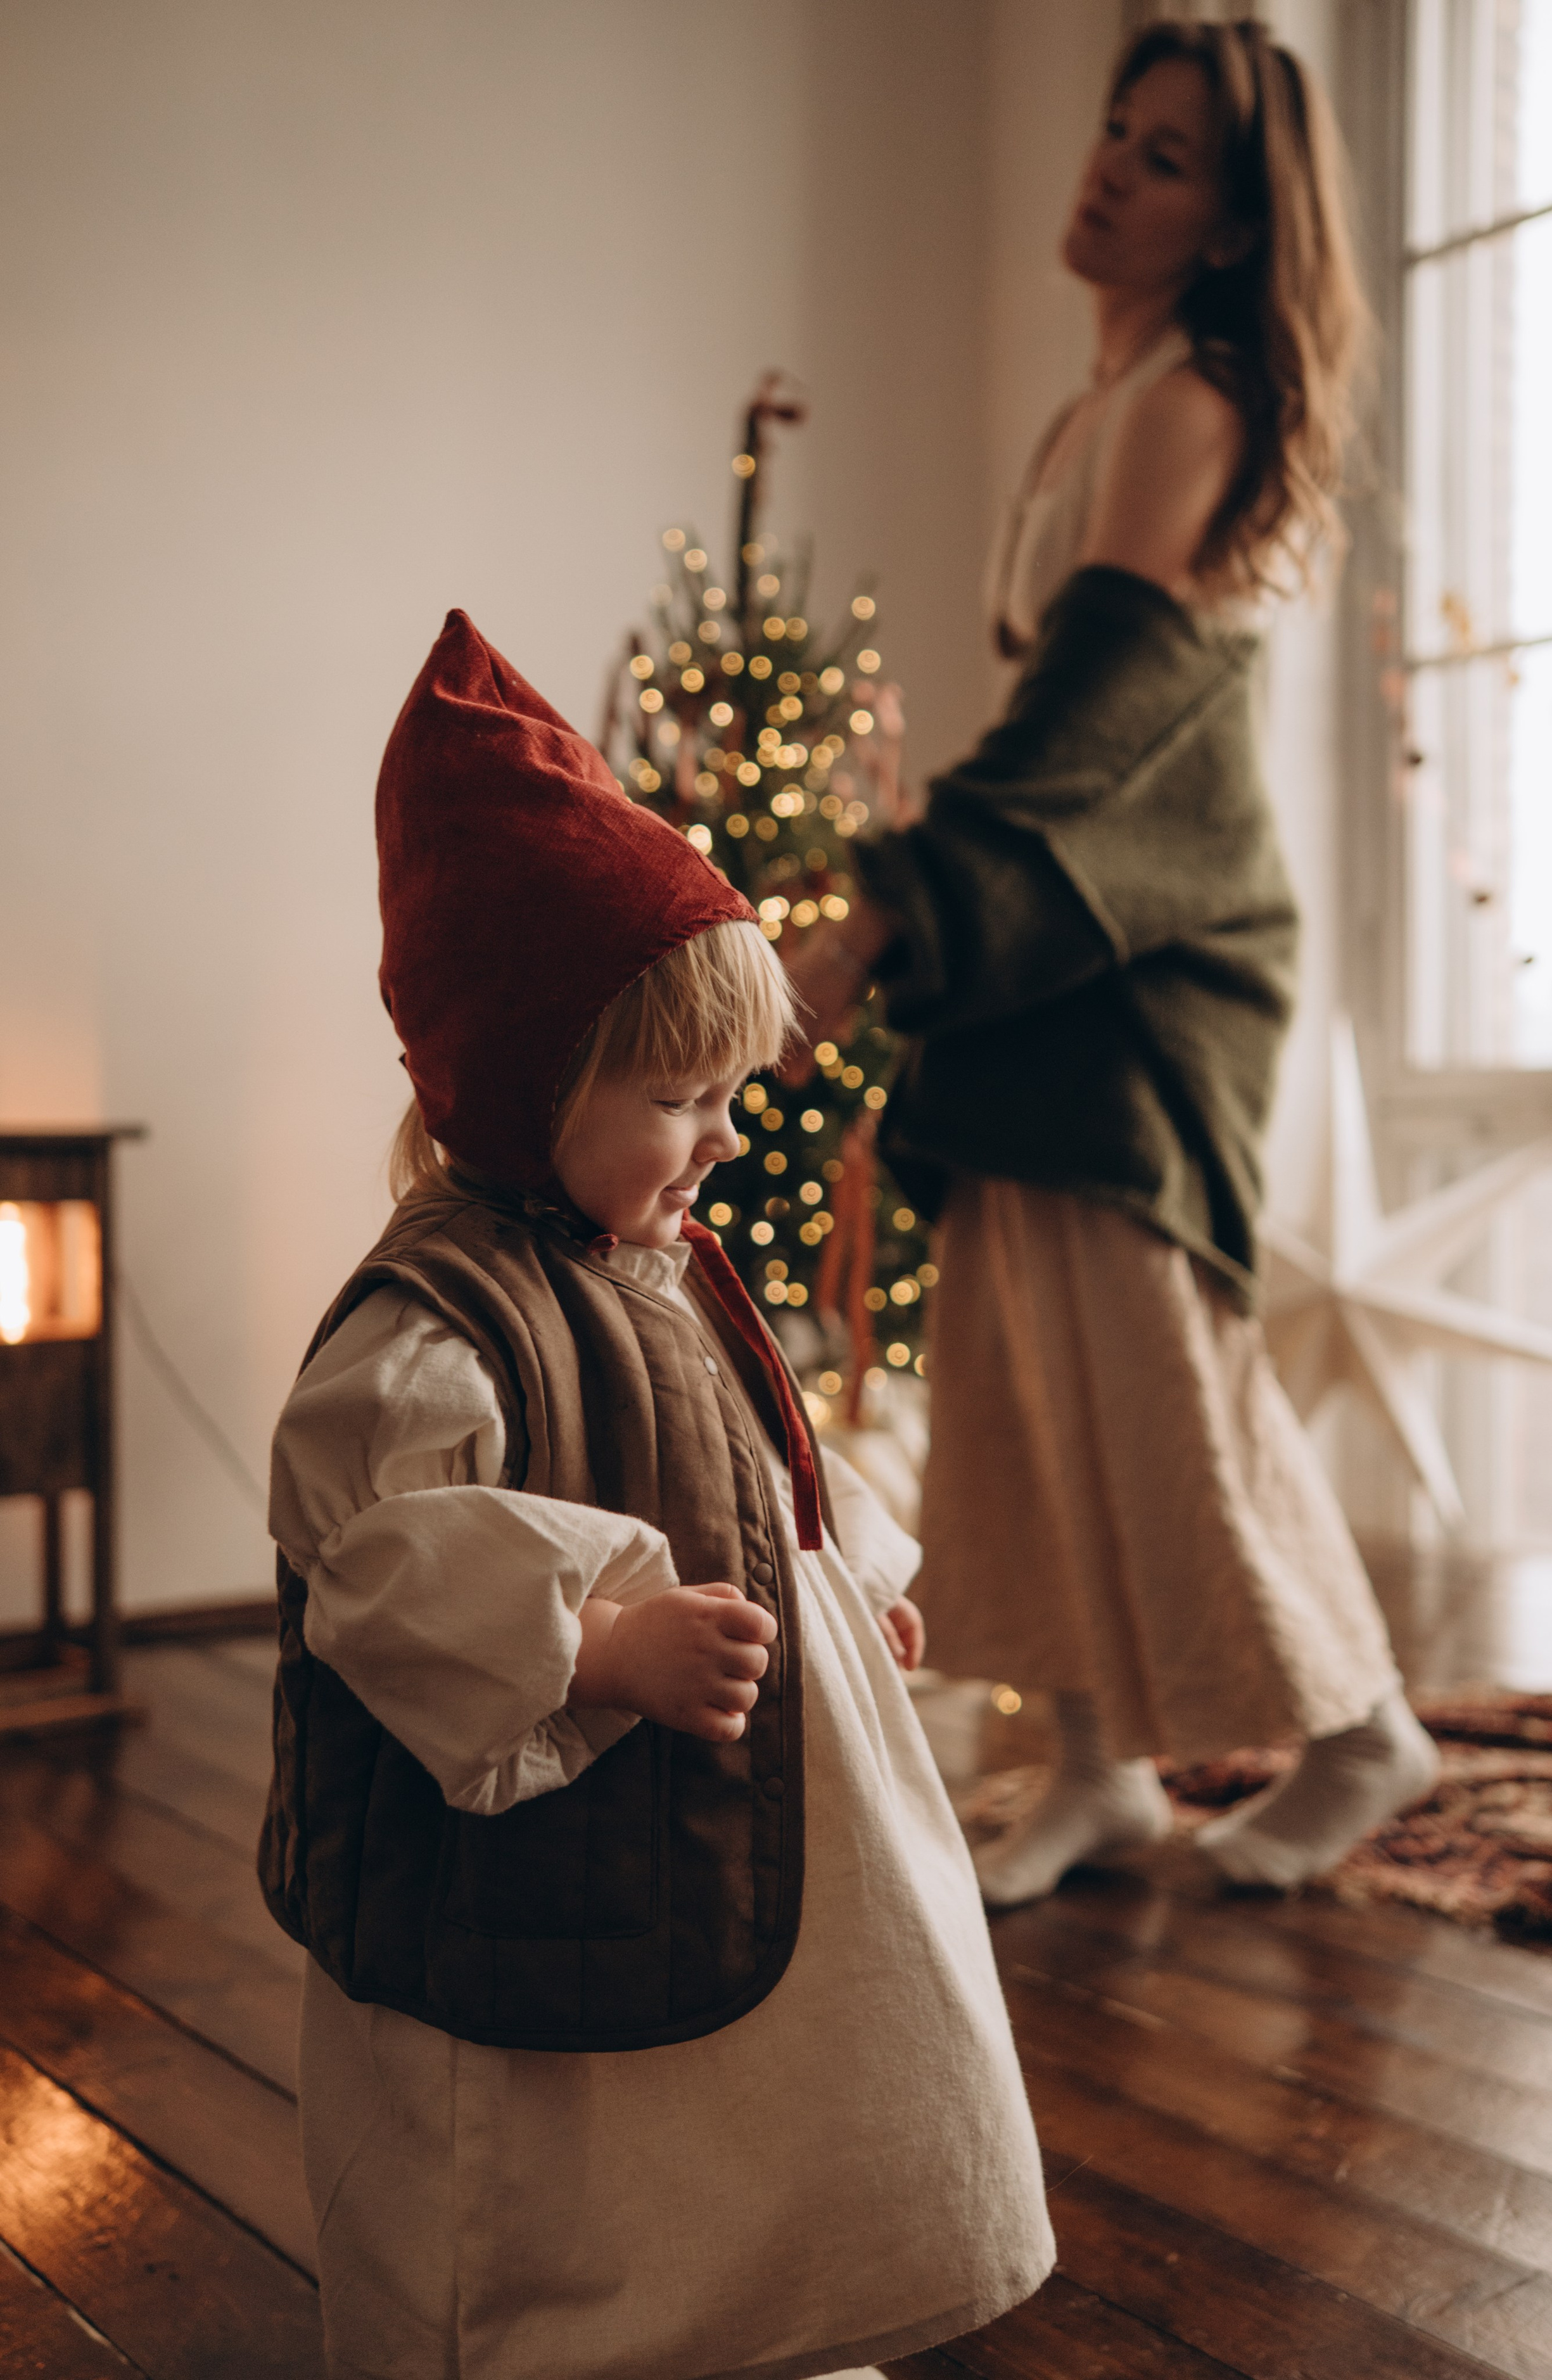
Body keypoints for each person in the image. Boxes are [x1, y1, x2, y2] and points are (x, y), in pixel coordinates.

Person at [257, 609, 1053, 2380]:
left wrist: (846, 1584)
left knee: (767, 2084)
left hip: (753, 1770)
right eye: (676, 1096)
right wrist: (593, 1646)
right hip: (548, 1816)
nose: (720, 1139)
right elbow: (385, 1573)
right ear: (530, 1087)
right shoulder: (437, 1331)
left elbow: (757, 1450)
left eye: (727, 1094)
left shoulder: (659, 1264)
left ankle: (770, 2297)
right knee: (560, 2158)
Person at [787, 19, 1439, 1907]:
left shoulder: (1186, 402)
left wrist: (889, 905)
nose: (1105, 172)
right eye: (1111, 131)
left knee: (1156, 1370)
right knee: (1006, 1357)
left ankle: (1363, 1732)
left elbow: (1103, 714)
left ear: (1232, 224)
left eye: (1160, 160)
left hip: (1157, 950)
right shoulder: (1100, 407)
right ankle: (1096, 1769)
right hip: (1071, 929)